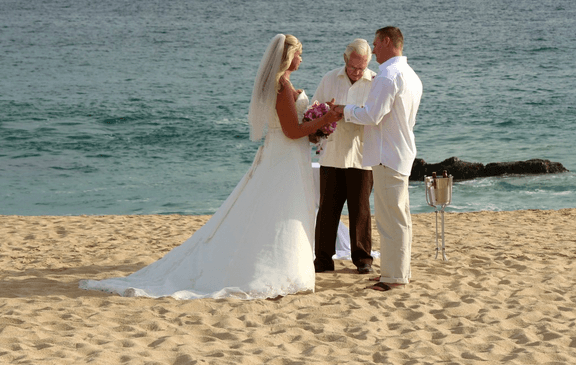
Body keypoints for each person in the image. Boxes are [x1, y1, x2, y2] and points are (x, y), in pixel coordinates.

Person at [79, 34, 341, 300]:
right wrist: (326, 118)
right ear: (287, 57)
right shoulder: (281, 87)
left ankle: (288, 268)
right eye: (299, 53)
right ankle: (274, 270)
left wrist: (319, 124)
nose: (301, 58)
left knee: (284, 210)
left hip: (289, 157)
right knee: (280, 210)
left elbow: (297, 129)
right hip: (283, 157)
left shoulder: (285, 84)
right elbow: (291, 130)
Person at [334, 26, 423, 291]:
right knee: (399, 216)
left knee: (390, 219)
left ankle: (394, 277)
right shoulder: (411, 75)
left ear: (387, 41)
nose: (373, 50)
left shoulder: (388, 76)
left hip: (387, 154)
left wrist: (344, 110)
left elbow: (373, 115)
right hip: (401, 151)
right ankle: (398, 272)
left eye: (375, 44)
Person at [312, 39, 376, 274]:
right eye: (353, 67)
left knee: (361, 210)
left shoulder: (375, 81)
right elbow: (313, 110)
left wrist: (348, 113)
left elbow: (376, 117)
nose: (358, 73)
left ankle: (363, 260)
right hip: (332, 153)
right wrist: (328, 115)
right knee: (328, 209)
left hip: (362, 155)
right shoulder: (330, 78)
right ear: (345, 60)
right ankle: (323, 260)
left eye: (362, 68)